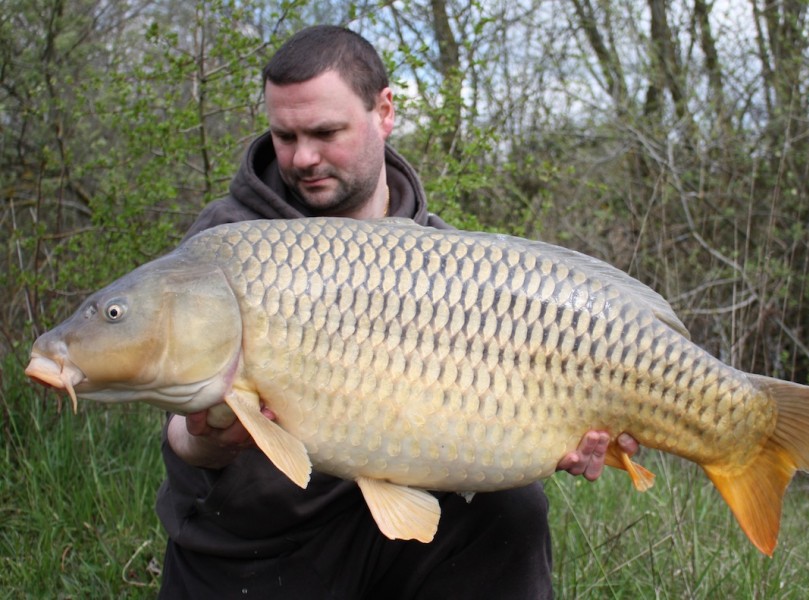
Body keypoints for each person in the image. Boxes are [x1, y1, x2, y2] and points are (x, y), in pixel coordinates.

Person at [156, 25, 639, 599]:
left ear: (384, 111)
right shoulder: (229, 245)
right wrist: (210, 439)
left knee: (513, 507)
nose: (303, 156)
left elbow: (513, 410)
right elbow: (181, 433)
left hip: (401, 523)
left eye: (325, 132)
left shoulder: (446, 262)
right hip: (255, 542)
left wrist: (566, 436)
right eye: (284, 135)